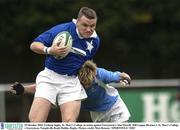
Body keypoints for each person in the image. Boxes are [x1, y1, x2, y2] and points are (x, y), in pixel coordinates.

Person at [28, 7, 100, 122]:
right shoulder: (62, 30)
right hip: (49, 78)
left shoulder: (95, 41)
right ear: (77, 22)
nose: (89, 29)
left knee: (69, 124)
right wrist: (49, 50)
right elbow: (34, 45)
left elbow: (86, 63)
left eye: (92, 26)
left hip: (71, 82)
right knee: (36, 121)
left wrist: (85, 76)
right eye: (85, 25)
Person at [10, 60, 131, 122]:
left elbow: (119, 75)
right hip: (96, 114)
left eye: (90, 84)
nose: (87, 86)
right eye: (85, 85)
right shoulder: (71, 81)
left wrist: (125, 78)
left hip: (114, 107)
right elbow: (45, 87)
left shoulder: (100, 73)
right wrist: (24, 89)